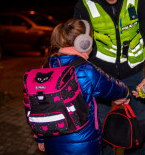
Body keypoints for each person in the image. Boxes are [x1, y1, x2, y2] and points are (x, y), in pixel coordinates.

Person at [73, 0, 145, 155]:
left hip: (135, 76)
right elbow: (79, 47)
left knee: (136, 131)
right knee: (103, 133)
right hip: (101, 76)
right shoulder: (84, 4)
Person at [36, 19, 130, 155]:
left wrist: (40, 138)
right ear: (84, 43)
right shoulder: (86, 70)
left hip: (52, 144)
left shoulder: (45, 69)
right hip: (84, 146)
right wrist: (125, 93)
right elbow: (113, 88)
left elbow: (37, 107)